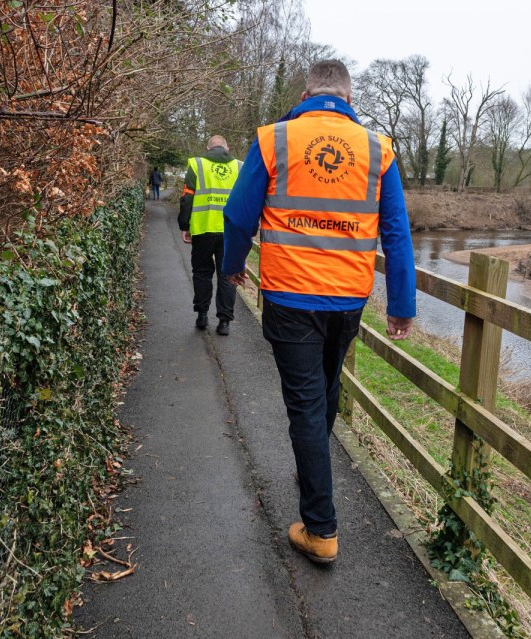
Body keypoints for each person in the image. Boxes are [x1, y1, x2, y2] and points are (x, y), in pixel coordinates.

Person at [222, 59, 416, 564]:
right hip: (349, 300)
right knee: (325, 390)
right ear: (349, 98)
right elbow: (395, 232)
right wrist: (401, 305)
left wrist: (232, 264)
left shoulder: (274, 139)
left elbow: (238, 214)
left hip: (290, 298)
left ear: (307, 92)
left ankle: (321, 529)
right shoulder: (379, 150)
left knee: (309, 404)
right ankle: (315, 468)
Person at [178, 136, 242, 335]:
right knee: (227, 276)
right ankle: (224, 322)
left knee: (202, 273)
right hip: (229, 232)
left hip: (203, 229)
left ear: (208, 148)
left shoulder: (197, 165)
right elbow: (247, 200)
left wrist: (184, 225)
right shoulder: (240, 167)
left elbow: (187, 197)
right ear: (227, 147)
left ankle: (202, 315)